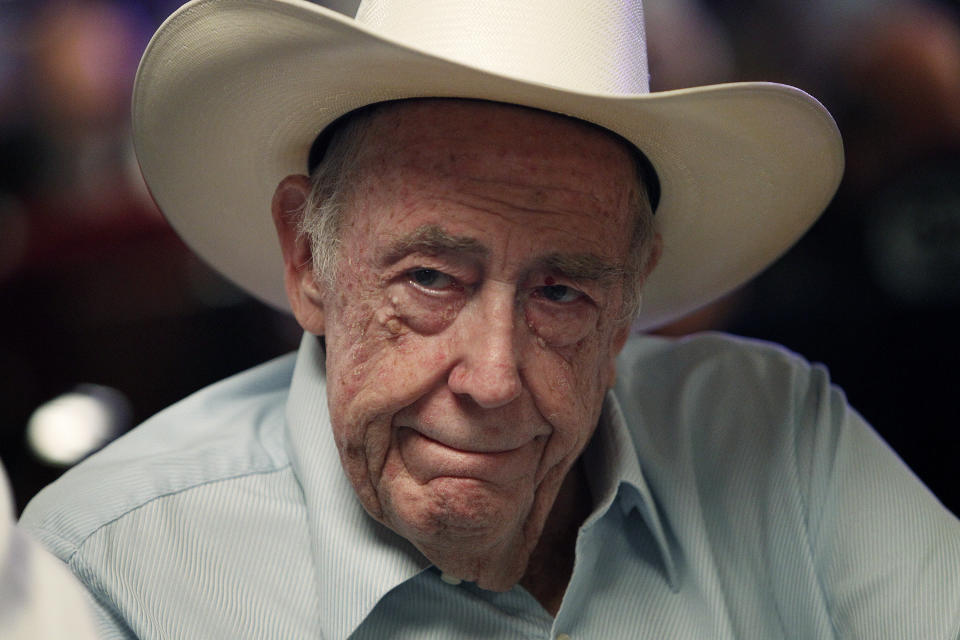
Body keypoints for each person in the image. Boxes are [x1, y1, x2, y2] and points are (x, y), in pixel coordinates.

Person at [20, 0, 960, 638]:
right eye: (431, 277)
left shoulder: (775, 435)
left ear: (632, 295)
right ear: (308, 261)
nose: (495, 377)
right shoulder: (107, 575)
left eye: (563, 293)